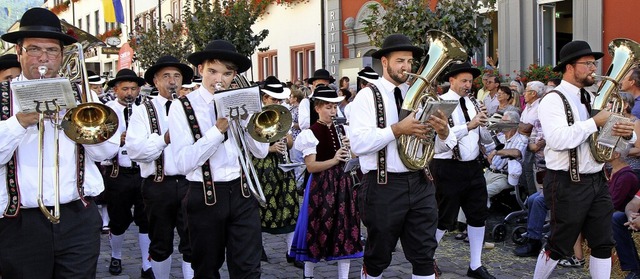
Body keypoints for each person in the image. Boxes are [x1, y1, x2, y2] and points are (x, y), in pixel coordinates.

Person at [0, 7, 119, 278]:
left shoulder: (83, 94)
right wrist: (19, 122)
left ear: (62, 55)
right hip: (20, 221)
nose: (44, 57)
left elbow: (106, 152)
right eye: (34, 49)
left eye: (52, 50)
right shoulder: (3, 95)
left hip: (78, 216)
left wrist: (76, 124)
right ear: (18, 52)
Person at [350, 33, 455, 279]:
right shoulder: (367, 96)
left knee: (424, 256)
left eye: (409, 61)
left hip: (420, 182)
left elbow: (437, 149)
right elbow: (359, 143)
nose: (406, 67)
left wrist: (443, 132)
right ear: (384, 62)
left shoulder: (421, 96)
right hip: (382, 184)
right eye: (400, 61)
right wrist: (397, 129)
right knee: (378, 256)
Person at [534, 40, 635, 279]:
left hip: (597, 180)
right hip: (566, 182)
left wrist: (627, 133)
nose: (594, 68)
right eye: (588, 63)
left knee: (602, 243)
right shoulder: (552, 99)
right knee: (559, 245)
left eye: (594, 63)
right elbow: (558, 140)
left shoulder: (591, 98)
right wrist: (594, 122)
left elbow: (608, 141)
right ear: (570, 67)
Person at [169, 39, 269, 278]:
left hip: (243, 193)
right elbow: (183, 162)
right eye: (212, 71)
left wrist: (246, 121)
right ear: (200, 69)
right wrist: (218, 130)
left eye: (226, 73)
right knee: (206, 269)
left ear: (233, 75)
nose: (219, 79)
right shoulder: (182, 106)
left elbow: (261, 152)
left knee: (248, 268)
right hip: (204, 194)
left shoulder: (244, 101)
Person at [126, 55, 195, 279]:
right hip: (158, 185)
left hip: (189, 183)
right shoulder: (142, 111)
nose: (172, 81)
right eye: (166, 76)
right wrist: (164, 139)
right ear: (155, 82)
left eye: (176, 76)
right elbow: (136, 152)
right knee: (160, 242)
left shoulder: (191, 107)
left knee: (192, 241)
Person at [289, 85, 363, 279]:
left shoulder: (344, 129)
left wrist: (350, 149)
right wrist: (335, 159)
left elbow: (355, 157)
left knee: (345, 227)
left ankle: (343, 276)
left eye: (334, 107)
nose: (332, 111)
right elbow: (311, 166)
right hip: (321, 185)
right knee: (316, 227)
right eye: (328, 107)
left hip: (344, 183)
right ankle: (309, 274)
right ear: (317, 108)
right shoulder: (310, 133)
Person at [431, 62, 496, 279]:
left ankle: (475, 265)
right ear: (451, 81)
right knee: (444, 217)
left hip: (473, 166)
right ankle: (427, 258)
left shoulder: (473, 103)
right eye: (464, 81)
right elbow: (440, 143)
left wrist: (486, 124)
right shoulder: (440, 104)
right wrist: (469, 125)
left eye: (470, 81)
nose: (468, 85)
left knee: (478, 215)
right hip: (447, 167)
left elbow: (484, 138)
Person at [101, 68, 154, 278]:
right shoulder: (106, 110)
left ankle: (146, 264)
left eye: (133, 88)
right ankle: (116, 255)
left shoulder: (145, 109)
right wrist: (119, 139)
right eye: (125, 89)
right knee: (118, 219)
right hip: (118, 172)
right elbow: (98, 142)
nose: (129, 93)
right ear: (116, 90)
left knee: (145, 219)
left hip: (142, 172)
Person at [253, 76, 300, 267]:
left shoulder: (283, 113)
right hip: (263, 165)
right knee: (261, 209)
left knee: (290, 207)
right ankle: (258, 248)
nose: (278, 103)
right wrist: (270, 148)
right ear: (264, 98)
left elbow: (290, 141)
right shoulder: (255, 114)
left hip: (282, 165)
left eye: (279, 100)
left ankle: (291, 251)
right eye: (274, 100)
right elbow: (252, 144)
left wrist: (284, 142)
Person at [520, 81, 545, 195]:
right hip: (525, 144)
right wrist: (519, 126)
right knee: (526, 173)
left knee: (531, 175)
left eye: (526, 91)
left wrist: (517, 125)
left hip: (535, 148)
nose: (523, 94)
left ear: (533, 93)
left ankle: (534, 200)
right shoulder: (528, 107)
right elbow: (521, 126)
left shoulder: (539, 107)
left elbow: (526, 128)